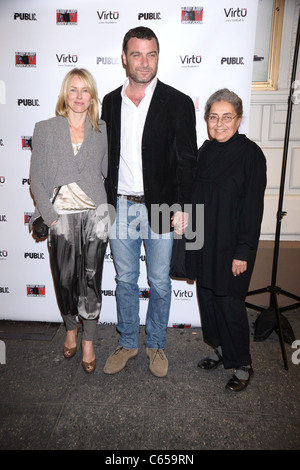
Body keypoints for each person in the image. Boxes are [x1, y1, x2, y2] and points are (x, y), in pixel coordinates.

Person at [101, 26, 197, 377]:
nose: (144, 62)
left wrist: (184, 207)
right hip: (120, 206)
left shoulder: (178, 102)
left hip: (161, 208)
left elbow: (188, 161)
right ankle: (128, 343)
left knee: (159, 281)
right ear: (124, 57)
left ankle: (155, 344)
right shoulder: (111, 101)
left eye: (151, 54)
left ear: (158, 56)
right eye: (137, 54)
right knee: (125, 279)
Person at [186, 88, 267, 392]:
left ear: (239, 118)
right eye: (213, 117)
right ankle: (220, 349)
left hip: (231, 246)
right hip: (203, 241)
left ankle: (243, 362)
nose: (219, 124)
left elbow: (252, 210)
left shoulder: (251, 156)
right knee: (207, 299)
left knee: (230, 303)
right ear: (206, 119)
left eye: (227, 117)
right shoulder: (205, 150)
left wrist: (243, 252)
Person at [29, 68, 109, 374]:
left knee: (92, 278)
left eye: (85, 90)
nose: (78, 96)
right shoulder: (46, 129)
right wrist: (49, 219)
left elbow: (104, 172)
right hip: (60, 217)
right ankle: (70, 329)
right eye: (73, 90)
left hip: (96, 215)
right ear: (65, 94)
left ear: (92, 97)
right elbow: (37, 180)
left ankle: (88, 340)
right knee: (64, 281)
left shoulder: (101, 129)